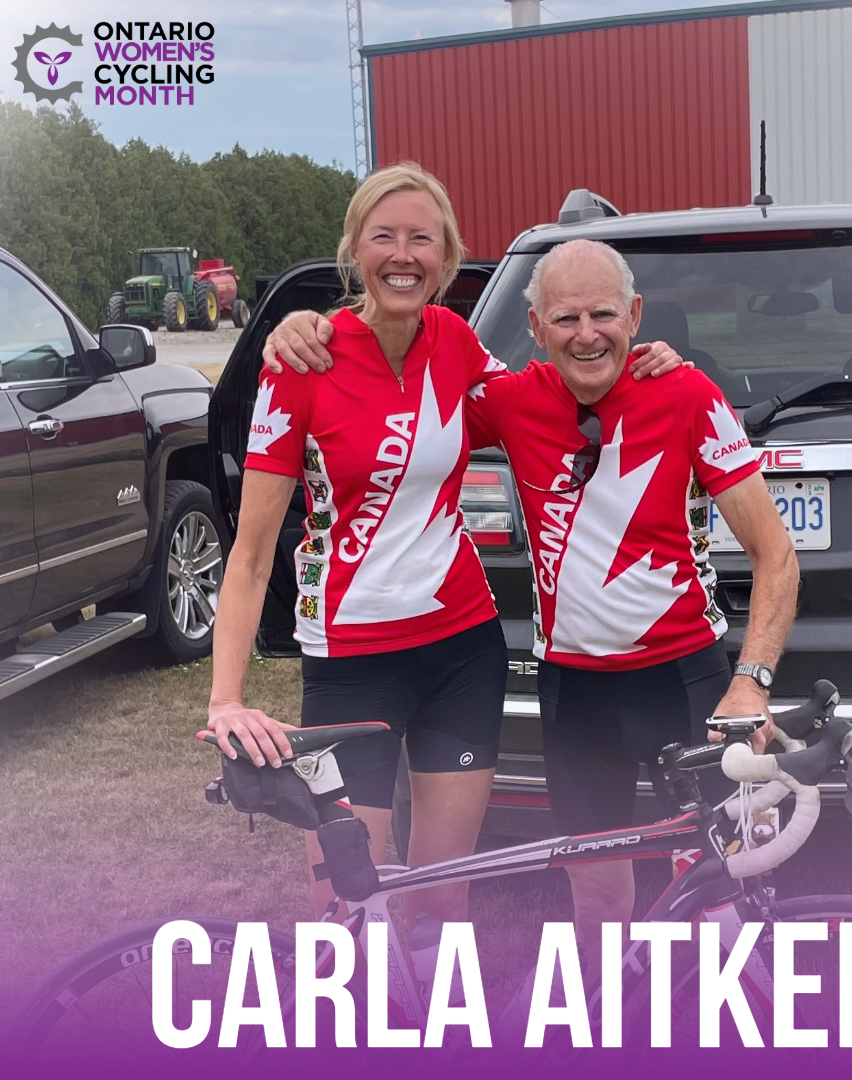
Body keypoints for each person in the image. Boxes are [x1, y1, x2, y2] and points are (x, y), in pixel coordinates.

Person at [268, 237, 799, 987]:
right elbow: (397, 389)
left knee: (728, 881)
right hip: (575, 693)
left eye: (605, 315)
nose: (588, 334)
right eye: (567, 317)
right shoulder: (513, 402)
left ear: (636, 314)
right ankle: (610, 1030)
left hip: (687, 680)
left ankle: (751, 1034)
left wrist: (752, 682)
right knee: (598, 887)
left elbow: (776, 556)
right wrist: (304, 326)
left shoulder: (688, 396)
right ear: (538, 328)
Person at [207, 164, 684, 932]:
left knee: (438, 894)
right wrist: (227, 697)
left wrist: (647, 367)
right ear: (354, 251)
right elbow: (253, 553)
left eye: (421, 238)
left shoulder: (455, 342)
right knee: (344, 901)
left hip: (461, 650)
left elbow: (554, 399)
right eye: (384, 236)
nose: (404, 254)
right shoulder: (304, 365)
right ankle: (358, 1046)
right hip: (352, 661)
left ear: (448, 255)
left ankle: (430, 1043)